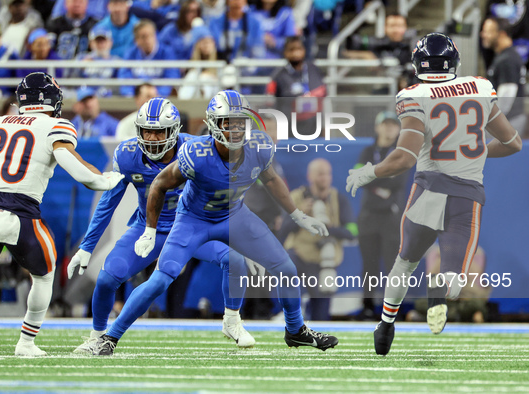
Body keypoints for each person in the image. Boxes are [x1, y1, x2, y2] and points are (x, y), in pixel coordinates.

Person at [90, 90, 339, 355]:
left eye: (239, 122)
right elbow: (159, 185)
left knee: (286, 270)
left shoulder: (259, 146)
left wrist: (297, 214)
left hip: (234, 215)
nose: (234, 129)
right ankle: (110, 337)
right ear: (213, 124)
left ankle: (296, 330)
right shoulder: (196, 152)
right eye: (227, 122)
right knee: (161, 280)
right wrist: (150, 230)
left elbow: (272, 180)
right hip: (193, 220)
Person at [345, 33, 522, 355]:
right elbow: (513, 143)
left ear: (418, 64)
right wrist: (473, 155)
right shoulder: (479, 88)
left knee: (404, 263)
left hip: (428, 189)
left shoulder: (414, 95)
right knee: (455, 277)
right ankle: (439, 291)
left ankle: (385, 325)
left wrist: (368, 171)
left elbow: (404, 158)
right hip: (467, 194)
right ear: (453, 61)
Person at [0, 72, 125, 354]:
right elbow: (73, 165)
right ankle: (26, 342)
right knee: (44, 275)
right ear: (50, 99)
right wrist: (106, 180)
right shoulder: (56, 125)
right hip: (23, 209)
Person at [68, 97, 255, 353]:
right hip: (148, 229)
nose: (153, 138)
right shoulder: (127, 154)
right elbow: (108, 203)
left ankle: (232, 321)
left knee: (235, 260)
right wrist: (87, 247)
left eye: (159, 132)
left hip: (192, 229)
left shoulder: (196, 149)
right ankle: (97, 336)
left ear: (174, 131)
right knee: (106, 279)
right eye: (148, 131)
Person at [280, 158, 356, 321]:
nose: (325, 178)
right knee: (287, 268)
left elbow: (352, 232)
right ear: (310, 176)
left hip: (324, 261)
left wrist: (328, 228)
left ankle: (313, 317)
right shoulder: (297, 197)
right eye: (320, 174)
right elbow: (282, 231)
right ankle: (291, 314)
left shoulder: (338, 199)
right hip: (299, 255)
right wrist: (299, 215)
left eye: (328, 174)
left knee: (321, 315)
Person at [355, 111, 407, 320]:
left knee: (393, 265)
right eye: (385, 124)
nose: (389, 129)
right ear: (377, 128)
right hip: (369, 216)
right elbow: (359, 177)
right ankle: (368, 306)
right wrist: (382, 177)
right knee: (369, 264)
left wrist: (373, 174)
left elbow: (398, 181)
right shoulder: (367, 151)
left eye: (393, 125)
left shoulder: (402, 153)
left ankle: (394, 309)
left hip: (391, 217)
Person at [266, 36, 326, 137]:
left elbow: (323, 93)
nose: (295, 53)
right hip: (289, 131)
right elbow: (271, 104)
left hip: (314, 128)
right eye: (291, 50)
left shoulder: (313, 70)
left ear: (304, 50)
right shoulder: (278, 76)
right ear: (285, 52)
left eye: (298, 49)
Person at [480, 17, 527, 135]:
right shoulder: (505, 56)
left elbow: (506, 98)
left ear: (501, 34)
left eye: (488, 32)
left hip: (508, 123)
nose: (483, 35)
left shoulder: (507, 60)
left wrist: (487, 123)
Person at [118, 19, 180, 97]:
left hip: (160, 100)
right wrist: (131, 96)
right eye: (144, 37)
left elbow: (171, 77)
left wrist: (157, 95)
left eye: (151, 35)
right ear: (136, 40)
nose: (148, 40)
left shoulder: (166, 52)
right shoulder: (131, 54)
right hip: (138, 98)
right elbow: (125, 78)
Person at [74, 25, 121, 97]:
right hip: (85, 96)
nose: (101, 44)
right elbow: (70, 81)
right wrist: (80, 68)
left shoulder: (116, 61)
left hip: (108, 96)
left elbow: (119, 85)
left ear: (110, 42)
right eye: (97, 41)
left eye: (104, 41)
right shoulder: (81, 58)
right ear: (91, 43)